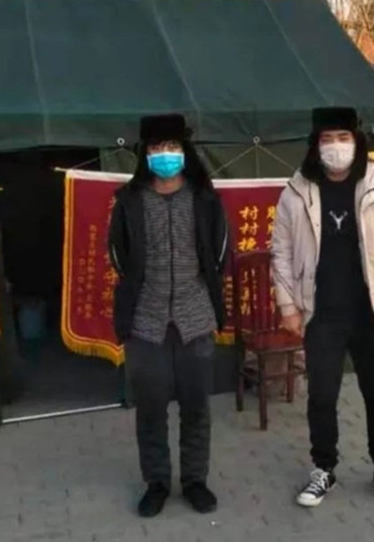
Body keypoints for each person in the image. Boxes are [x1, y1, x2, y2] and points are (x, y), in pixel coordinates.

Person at [271, 107, 374, 508]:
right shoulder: (296, 192)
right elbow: (280, 252)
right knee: (322, 396)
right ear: (315, 144)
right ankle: (324, 469)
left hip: (371, 310)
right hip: (321, 313)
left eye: (343, 138)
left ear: (357, 141)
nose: (335, 147)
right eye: (327, 139)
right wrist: (288, 306)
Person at [108, 114, 228, 517]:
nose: (165, 154)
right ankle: (156, 483)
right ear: (145, 154)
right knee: (150, 408)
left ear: (184, 151)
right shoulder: (129, 201)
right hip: (146, 320)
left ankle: (195, 481)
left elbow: (220, 253)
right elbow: (117, 255)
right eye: (157, 148)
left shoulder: (204, 199)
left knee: (196, 407)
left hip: (195, 317)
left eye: (172, 147)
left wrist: (203, 294)